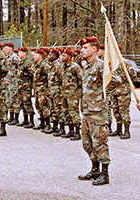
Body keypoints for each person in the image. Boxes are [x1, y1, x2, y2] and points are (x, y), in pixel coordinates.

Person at [78, 36, 110, 186]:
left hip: (97, 111)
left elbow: (114, 81)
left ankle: (105, 173)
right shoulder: (87, 66)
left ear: (94, 49)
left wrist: (103, 99)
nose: (82, 50)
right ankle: (95, 169)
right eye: (82, 47)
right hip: (87, 110)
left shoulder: (101, 65)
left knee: (100, 142)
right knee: (87, 142)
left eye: (85, 47)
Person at [17, 47, 35, 128]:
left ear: (25, 53)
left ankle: (31, 121)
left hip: (26, 86)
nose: (19, 53)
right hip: (21, 86)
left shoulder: (28, 63)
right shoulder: (21, 62)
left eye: (20, 52)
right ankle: (25, 120)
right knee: (22, 103)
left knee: (27, 103)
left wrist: (31, 86)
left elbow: (33, 74)